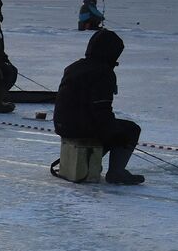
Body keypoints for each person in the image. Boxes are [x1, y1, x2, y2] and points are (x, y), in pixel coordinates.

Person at [54, 29, 144, 185]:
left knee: (110, 128)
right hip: (80, 126)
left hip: (63, 125)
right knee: (130, 129)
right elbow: (101, 110)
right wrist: (115, 134)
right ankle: (116, 172)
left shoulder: (74, 67)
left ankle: (89, 161)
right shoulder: (103, 72)